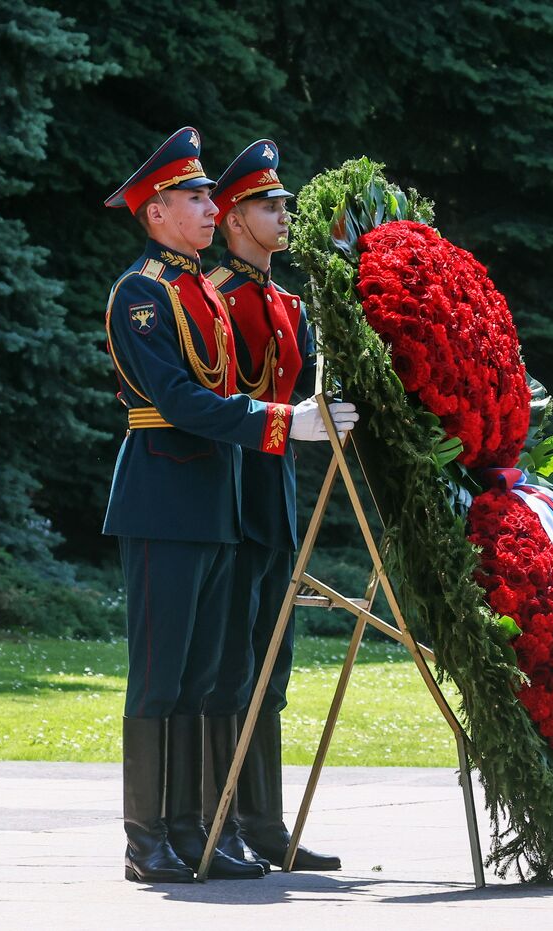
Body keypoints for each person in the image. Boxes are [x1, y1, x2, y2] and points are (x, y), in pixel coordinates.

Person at [103, 127, 357, 884]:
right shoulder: (143, 294)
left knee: (205, 676)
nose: (211, 207)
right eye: (195, 197)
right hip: (163, 494)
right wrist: (285, 423)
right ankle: (144, 836)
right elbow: (181, 400)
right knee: (158, 674)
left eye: (212, 195)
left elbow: (227, 392)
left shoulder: (198, 291)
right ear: (155, 212)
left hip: (212, 496)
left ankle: (189, 830)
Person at [204, 139, 339, 871]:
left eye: (284, 203)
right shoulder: (215, 298)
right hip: (228, 489)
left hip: (275, 491)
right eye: (267, 205)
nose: (282, 215)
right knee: (230, 662)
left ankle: (262, 821)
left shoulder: (286, 303)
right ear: (231, 218)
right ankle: (218, 820)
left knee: (271, 663)